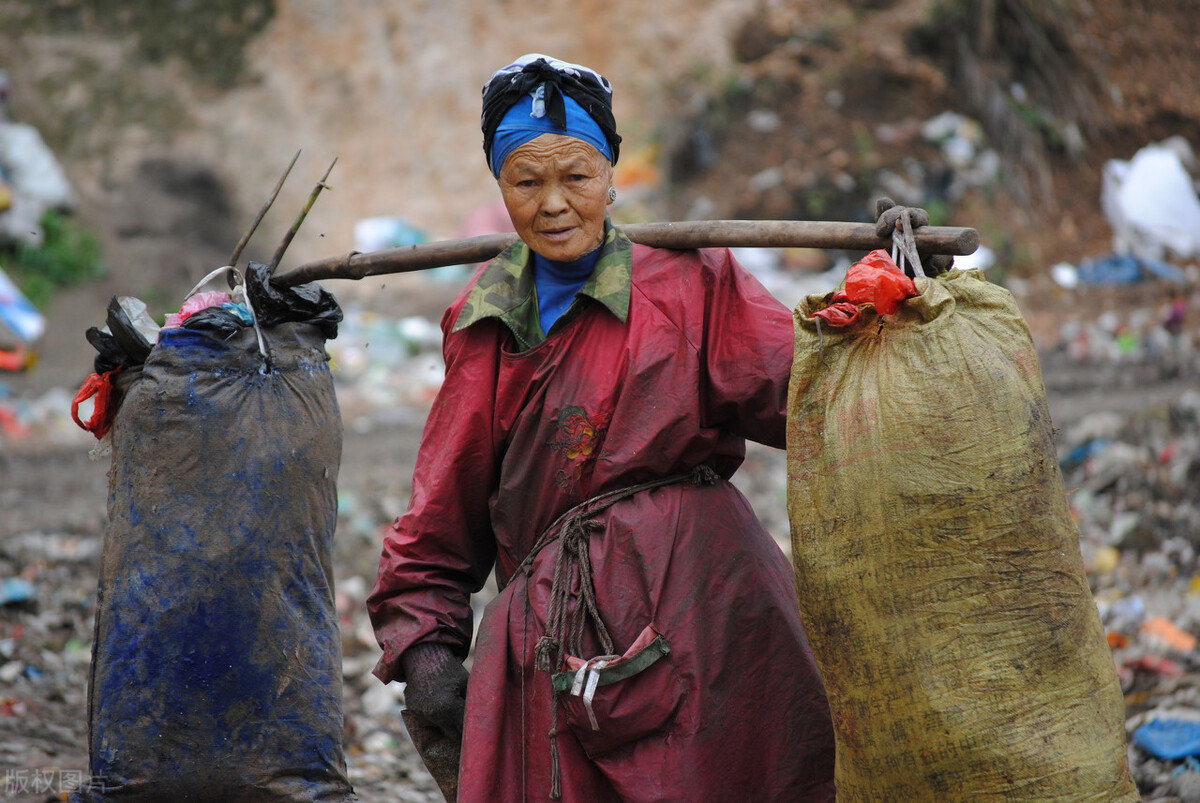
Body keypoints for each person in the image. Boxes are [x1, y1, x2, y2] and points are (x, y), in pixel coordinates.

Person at [368, 53, 836, 802]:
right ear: (500, 189)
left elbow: (810, 398)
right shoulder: (485, 319)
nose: (554, 204)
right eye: (528, 181)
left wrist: (886, 323)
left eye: (576, 177)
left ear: (612, 178)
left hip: (708, 606)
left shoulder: (691, 280)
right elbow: (443, 503)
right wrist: (426, 649)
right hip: (556, 637)